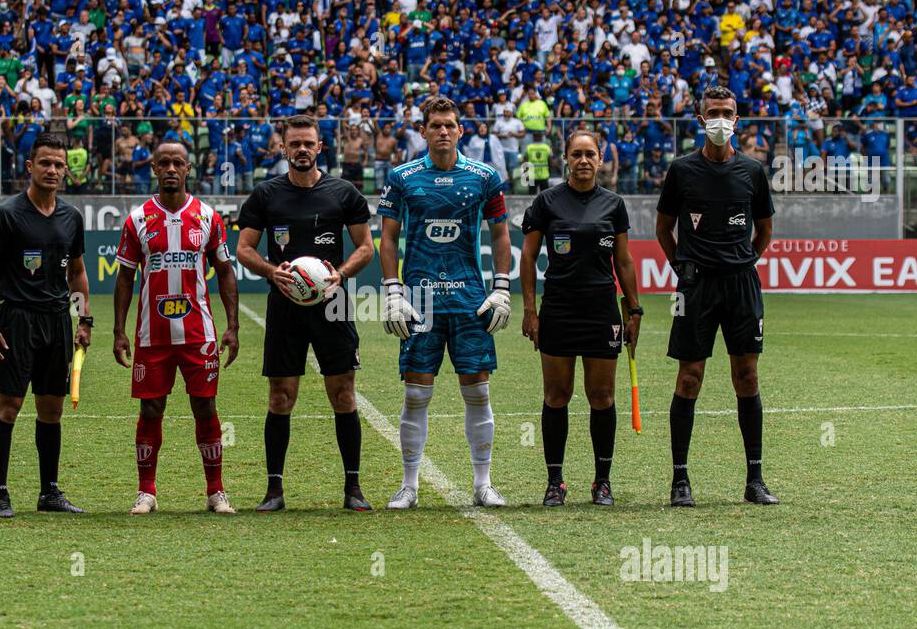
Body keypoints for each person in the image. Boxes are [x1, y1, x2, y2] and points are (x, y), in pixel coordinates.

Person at [235, 113, 376, 513]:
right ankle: (274, 491)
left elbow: (365, 247)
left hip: (332, 304)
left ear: (320, 147)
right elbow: (244, 248)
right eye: (293, 143)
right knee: (281, 397)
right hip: (285, 305)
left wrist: (340, 274)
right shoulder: (266, 195)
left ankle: (353, 489)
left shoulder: (344, 193)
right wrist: (269, 270)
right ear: (283, 148)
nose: (301, 149)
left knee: (343, 393)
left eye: (307, 143)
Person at [378, 96, 512, 509]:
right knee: (416, 395)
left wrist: (502, 286)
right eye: (435, 125)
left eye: (449, 125)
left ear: (460, 130)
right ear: (423, 130)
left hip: (470, 300)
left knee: (478, 392)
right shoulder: (402, 177)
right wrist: (393, 291)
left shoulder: (484, 176)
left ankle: (483, 484)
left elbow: (500, 233)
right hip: (420, 302)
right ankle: (410, 486)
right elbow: (387, 236)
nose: (442, 131)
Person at [655, 86, 778, 507]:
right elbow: (662, 229)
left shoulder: (753, 172)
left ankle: (755, 480)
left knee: (747, 376)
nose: (720, 119)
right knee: (689, 378)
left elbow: (764, 231)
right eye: (713, 112)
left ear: (738, 120)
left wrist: (742, 262)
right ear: (700, 117)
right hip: (696, 287)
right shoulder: (682, 171)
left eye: (727, 112)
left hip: (741, 284)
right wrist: (683, 267)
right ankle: (680, 480)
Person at [112, 142, 240, 516]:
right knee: (151, 409)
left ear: (188, 169)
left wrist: (232, 326)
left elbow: (226, 272)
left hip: (199, 334)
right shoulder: (138, 218)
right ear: (153, 168)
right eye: (163, 162)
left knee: (205, 406)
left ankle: (216, 491)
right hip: (153, 336)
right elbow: (124, 278)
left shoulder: (207, 217)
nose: (171, 168)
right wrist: (119, 331)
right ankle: (146, 491)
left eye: (177, 163)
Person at [0, 134, 92, 519]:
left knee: (51, 410)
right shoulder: (6, 215)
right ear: (30, 166)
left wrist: (84, 320)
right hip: (17, 320)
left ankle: (49, 492)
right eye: (45, 163)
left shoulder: (72, 217)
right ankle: (0, 493)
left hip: (57, 322)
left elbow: (77, 273)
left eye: (58, 164)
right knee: (9, 407)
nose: (52, 170)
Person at [520, 130, 643, 506]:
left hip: (601, 310)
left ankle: (602, 481)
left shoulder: (614, 205)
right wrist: (530, 309)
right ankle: (555, 481)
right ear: (566, 159)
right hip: (558, 308)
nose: (584, 160)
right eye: (577, 154)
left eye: (590, 154)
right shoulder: (547, 202)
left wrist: (634, 309)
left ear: (601, 159)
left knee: (602, 395)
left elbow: (622, 260)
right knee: (557, 395)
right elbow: (528, 257)